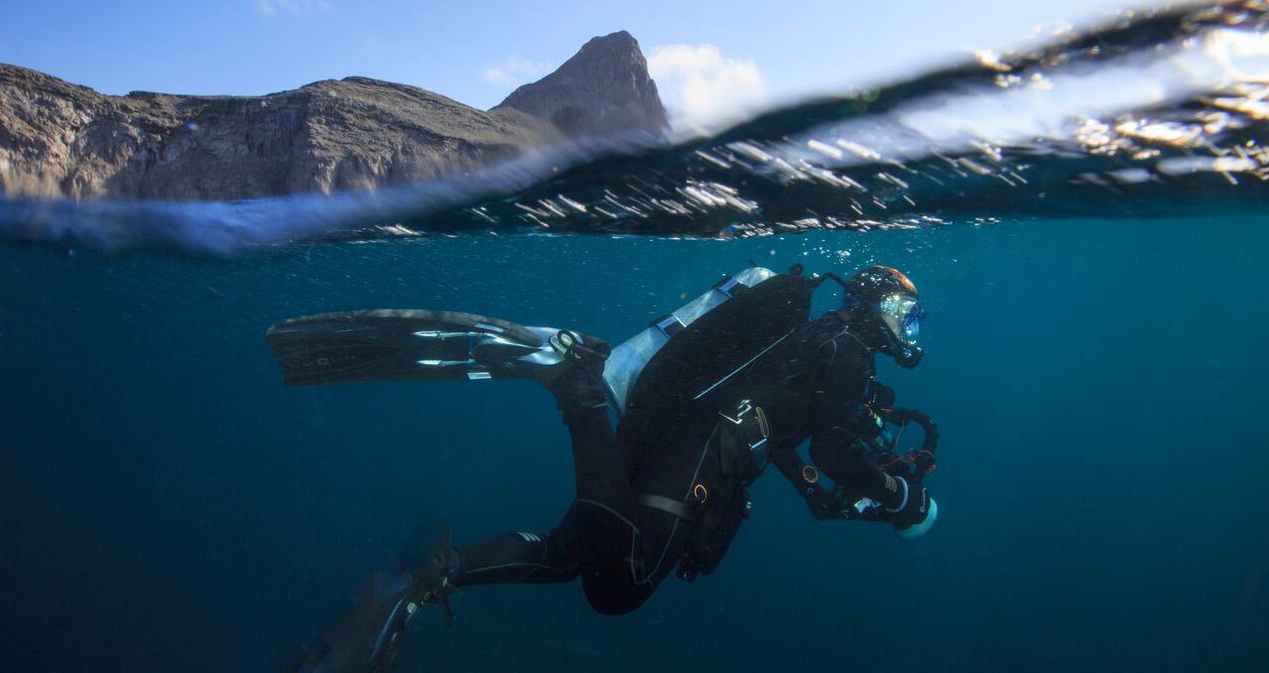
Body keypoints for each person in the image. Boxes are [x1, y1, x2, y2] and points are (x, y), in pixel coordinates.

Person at [277, 265, 938, 673]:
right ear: (877, 305)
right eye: (907, 313)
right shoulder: (849, 349)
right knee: (621, 585)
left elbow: (790, 436)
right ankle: (575, 385)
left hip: (670, 429)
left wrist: (821, 488)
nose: (909, 328)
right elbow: (834, 450)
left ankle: (428, 578)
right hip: (698, 451)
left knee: (576, 550)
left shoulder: (811, 336)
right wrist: (898, 492)